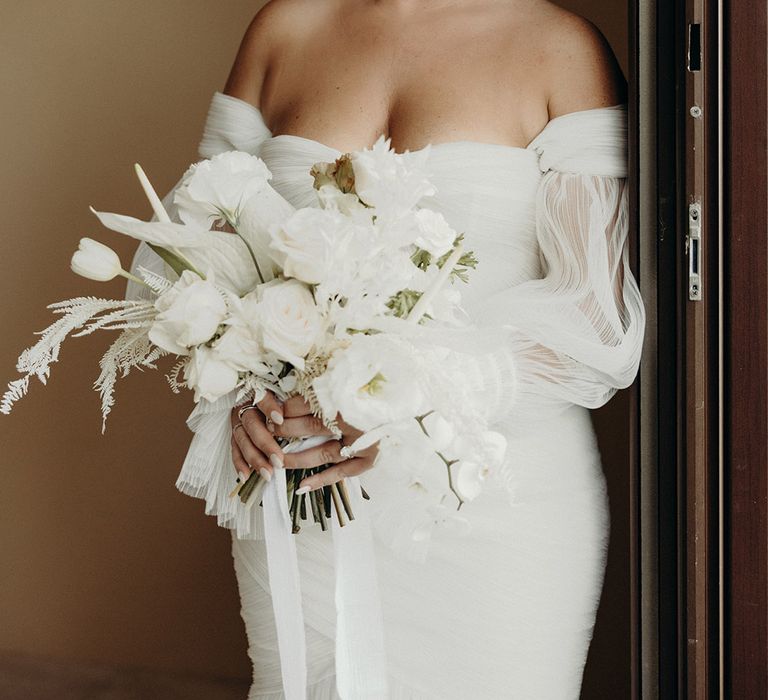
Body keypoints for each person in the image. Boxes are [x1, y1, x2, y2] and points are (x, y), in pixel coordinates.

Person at [127, 1, 645, 697]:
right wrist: (239, 387)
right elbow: (195, 247)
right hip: (301, 489)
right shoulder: (285, 28)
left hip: (491, 506)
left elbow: (596, 318)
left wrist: (407, 400)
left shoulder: (559, 46)